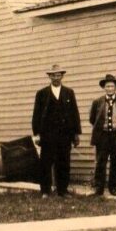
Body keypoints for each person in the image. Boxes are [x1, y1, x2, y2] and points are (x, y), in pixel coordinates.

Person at [31, 63, 81, 198]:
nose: (56, 78)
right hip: (47, 134)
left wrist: (76, 134)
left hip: (65, 135)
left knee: (64, 162)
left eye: (58, 75)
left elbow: (74, 114)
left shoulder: (69, 92)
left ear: (62, 76)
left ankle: (62, 190)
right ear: (49, 77)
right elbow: (36, 114)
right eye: (53, 75)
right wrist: (36, 134)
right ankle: (45, 191)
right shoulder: (42, 93)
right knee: (46, 163)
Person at [89, 74, 116, 197]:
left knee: (115, 161)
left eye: (112, 86)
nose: (109, 88)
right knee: (100, 162)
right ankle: (99, 189)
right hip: (102, 135)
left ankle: (113, 188)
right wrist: (103, 126)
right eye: (107, 86)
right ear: (104, 88)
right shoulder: (97, 101)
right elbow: (93, 119)